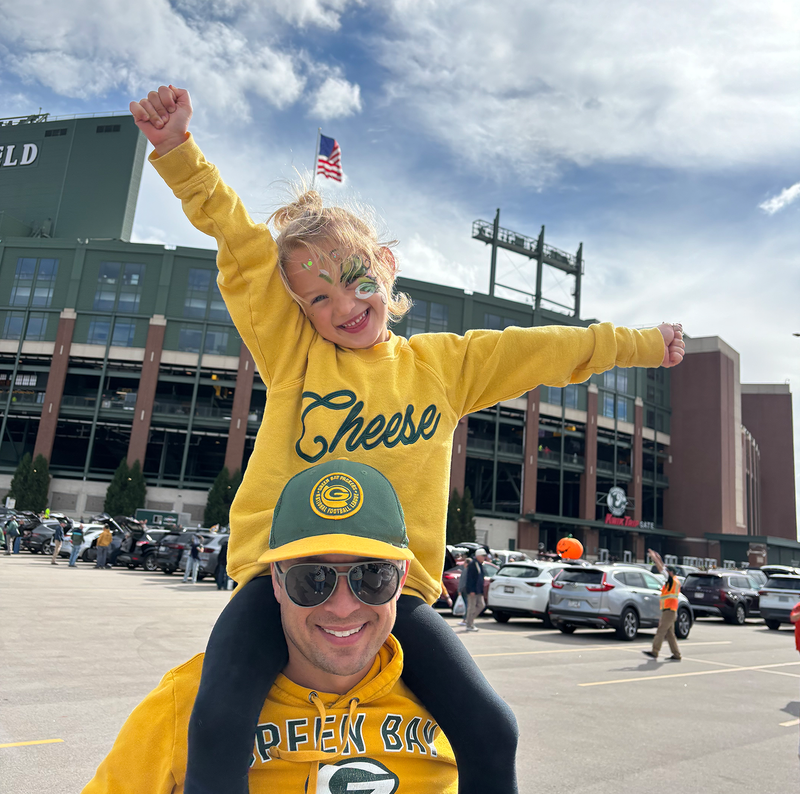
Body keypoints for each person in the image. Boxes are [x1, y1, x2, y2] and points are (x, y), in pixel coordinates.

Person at [130, 84, 685, 794]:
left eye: (354, 281)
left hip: (396, 591)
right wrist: (178, 152)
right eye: (317, 300)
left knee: (493, 730)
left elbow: (545, 349)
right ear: (298, 311)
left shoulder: (442, 368)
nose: (343, 307)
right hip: (285, 584)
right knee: (216, 721)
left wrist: (639, 342)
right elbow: (239, 241)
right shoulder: (297, 356)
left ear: (385, 266)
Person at [82, 460, 458, 793]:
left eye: (373, 575)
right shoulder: (183, 704)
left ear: (403, 577)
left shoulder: (452, 716)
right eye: (312, 579)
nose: (343, 607)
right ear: (276, 582)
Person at [643, 549, 682, 661]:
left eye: (668, 571)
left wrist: (655, 559)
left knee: (661, 631)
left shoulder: (672, 581)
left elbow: (661, 569)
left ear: (671, 573)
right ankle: (676, 654)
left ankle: (655, 651)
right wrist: (658, 558)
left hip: (669, 611)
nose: (666, 572)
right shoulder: (673, 581)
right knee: (670, 634)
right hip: (670, 610)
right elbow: (663, 567)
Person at [464, 549, 487, 633]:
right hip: (473, 590)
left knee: (481, 605)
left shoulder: (481, 564)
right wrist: (471, 590)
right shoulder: (473, 564)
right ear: (478, 556)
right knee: (472, 607)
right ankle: (469, 625)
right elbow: (470, 578)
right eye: (483, 556)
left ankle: (470, 620)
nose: (484, 557)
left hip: (479, 591)